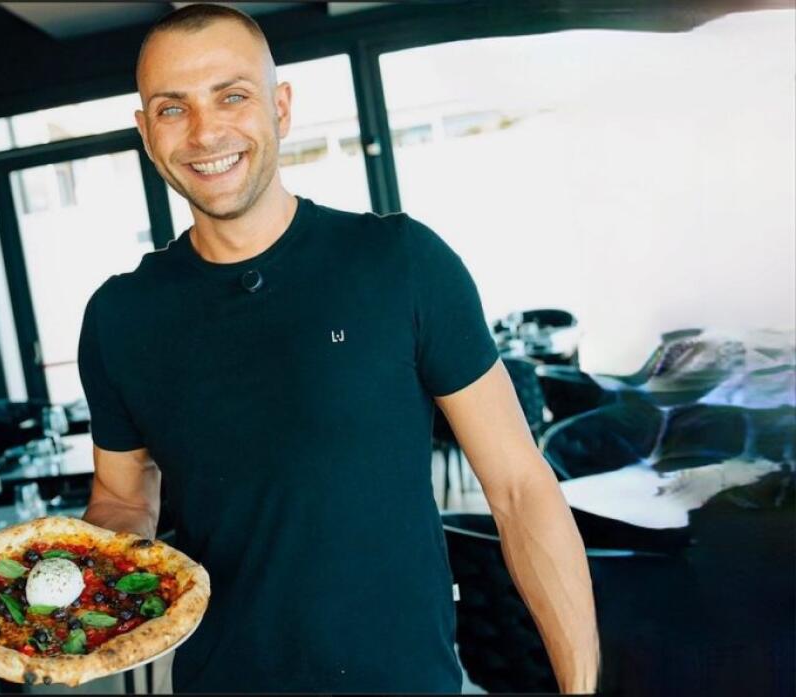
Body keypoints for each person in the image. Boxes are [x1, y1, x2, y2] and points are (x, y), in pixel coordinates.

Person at [79, 4, 599, 693]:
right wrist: (78, 588)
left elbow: (519, 487)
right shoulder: (119, 316)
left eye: (232, 96)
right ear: (146, 132)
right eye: (172, 108)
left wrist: (583, 683)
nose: (206, 132)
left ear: (281, 107)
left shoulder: (400, 262)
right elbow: (121, 495)